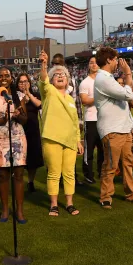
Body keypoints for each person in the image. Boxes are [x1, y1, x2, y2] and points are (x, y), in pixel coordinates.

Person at [94, 47, 133, 209]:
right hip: (112, 128)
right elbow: (128, 95)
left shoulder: (108, 78)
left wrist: (127, 77)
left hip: (123, 127)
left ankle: (132, 194)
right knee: (110, 165)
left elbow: (128, 93)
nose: (118, 62)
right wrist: (128, 74)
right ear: (109, 60)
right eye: (116, 59)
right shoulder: (103, 78)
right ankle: (105, 197)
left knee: (127, 164)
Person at [38, 51, 83, 216]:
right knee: (54, 173)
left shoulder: (71, 99)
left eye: (63, 74)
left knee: (69, 173)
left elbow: (75, 122)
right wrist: (44, 65)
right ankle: (54, 205)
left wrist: (78, 141)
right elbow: (43, 80)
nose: (60, 76)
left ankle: (70, 203)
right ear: (51, 79)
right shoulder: (48, 92)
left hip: (70, 141)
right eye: (56, 74)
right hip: (52, 139)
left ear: (68, 79)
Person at [0, 67, 28, 223]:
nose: (3, 78)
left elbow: (25, 119)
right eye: (0, 76)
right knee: (2, 175)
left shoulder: (19, 96)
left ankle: (19, 210)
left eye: (7, 75)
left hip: (17, 136)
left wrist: (18, 115)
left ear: (11, 78)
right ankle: (4, 209)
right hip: (0, 137)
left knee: (19, 175)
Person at [51, 53, 84, 186]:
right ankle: (56, 180)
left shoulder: (72, 81)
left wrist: (80, 121)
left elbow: (77, 103)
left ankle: (72, 178)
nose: (57, 66)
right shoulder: (48, 81)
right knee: (54, 155)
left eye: (59, 63)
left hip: (69, 122)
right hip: (54, 123)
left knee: (70, 151)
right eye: (55, 63)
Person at [16, 73, 43, 193]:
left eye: (26, 81)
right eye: (21, 82)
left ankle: (31, 181)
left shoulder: (35, 95)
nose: (23, 84)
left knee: (33, 158)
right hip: (19, 130)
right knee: (19, 158)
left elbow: (40, 105)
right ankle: (18, 181)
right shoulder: (14, 96)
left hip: (33, 129)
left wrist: (29, 94)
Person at [79, 56, 103, 184]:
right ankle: (88, 174)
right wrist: (99, 98)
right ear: (88, 65)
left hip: (104, 119)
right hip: (91, 119)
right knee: (89, 149)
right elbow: (84, 100)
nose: (94, 65)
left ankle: (101, 172)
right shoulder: (85, 82)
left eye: (96, 62)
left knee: (103, 149)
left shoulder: (103, 81)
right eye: (91, 62)